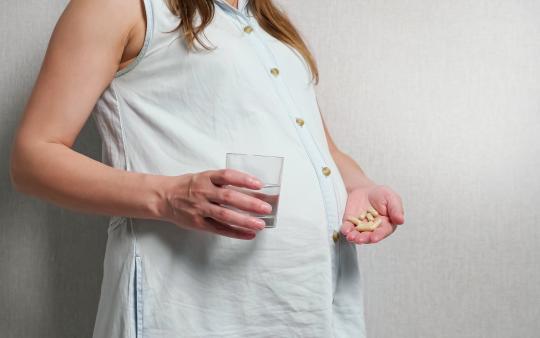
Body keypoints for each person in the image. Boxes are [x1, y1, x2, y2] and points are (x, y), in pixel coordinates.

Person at [9, 0, 406, 336]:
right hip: (193, 310)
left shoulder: (267, 22)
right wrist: (168, 196)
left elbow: (323, 149)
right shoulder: (119, 6)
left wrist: (357, 187)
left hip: (312, 303)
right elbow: (32, 157)